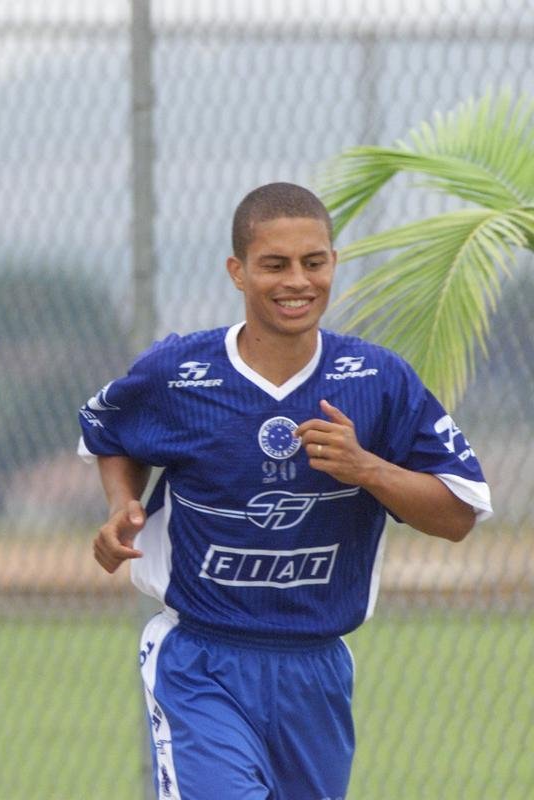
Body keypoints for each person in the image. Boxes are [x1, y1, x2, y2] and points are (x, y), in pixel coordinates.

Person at [77, 183, 492, 799]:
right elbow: (110, 431)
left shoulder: (378, 380)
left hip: (317, 667)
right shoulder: (179, 373)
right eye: (275, 265)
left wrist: (367, 468)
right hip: (202, 658)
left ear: (332, 263)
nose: (297, 281)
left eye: (313, 262)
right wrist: (121, 506)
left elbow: (459, 514)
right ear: (238, 272)